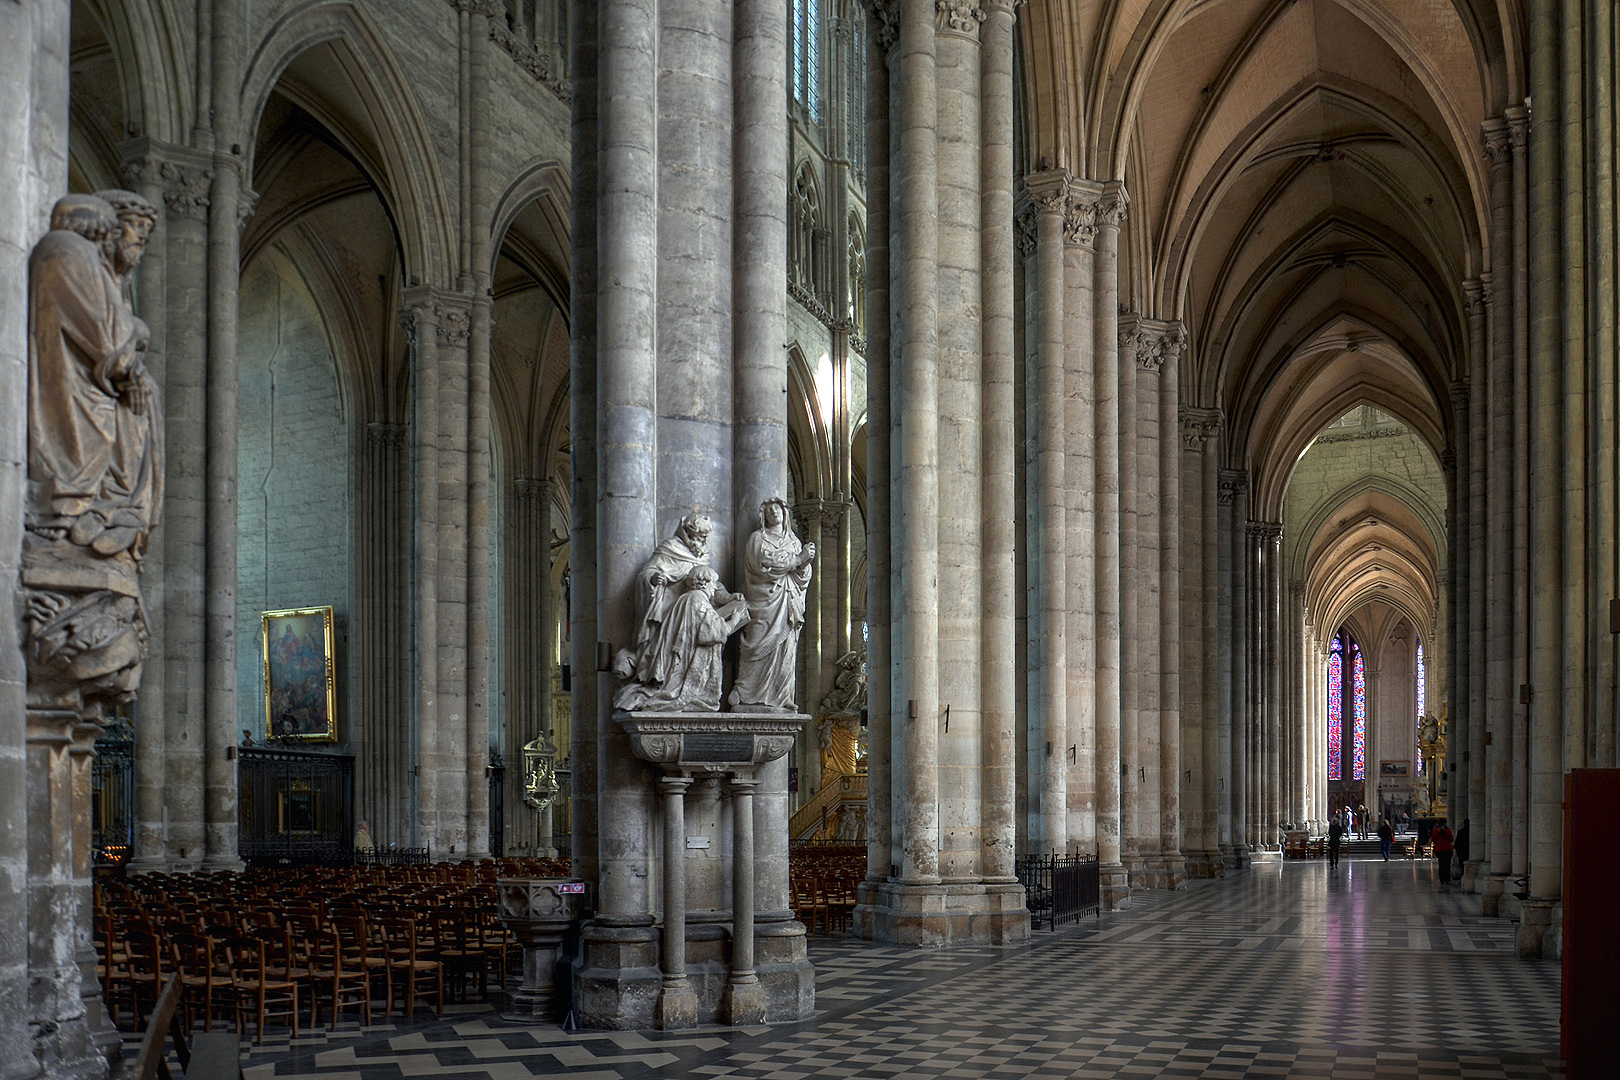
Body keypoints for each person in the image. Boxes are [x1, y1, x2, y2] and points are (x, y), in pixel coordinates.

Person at [613, 565, 748, 712]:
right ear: (704, 583)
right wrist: (735, 620)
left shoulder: (686, 598)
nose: (715, 589)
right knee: (679, 696)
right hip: (686, 665)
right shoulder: (698, 600)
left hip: (680, 659)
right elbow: (711, 634)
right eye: (713, 584)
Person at [729, 497, 815, 710]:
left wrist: (805, 563)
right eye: (769, 510)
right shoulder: (758, 538)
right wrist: (797, 560)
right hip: (764, 600)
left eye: (778, 508)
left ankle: (781, 696)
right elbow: (762, 563)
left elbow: (803, 576)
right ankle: (744, 692)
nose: (774, 512)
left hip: (788, 601)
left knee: (786, 649)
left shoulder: (793, 541)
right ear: (763, 516)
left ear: (785, 513)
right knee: (756, 642)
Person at [1432, 818, 1455, 889]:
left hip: (1439, 849)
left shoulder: (1436, 830)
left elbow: (1433, 840)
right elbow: (1452, 839)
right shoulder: (1447, 830)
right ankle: (1447, 878)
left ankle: (1441, 879)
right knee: (1447, 864)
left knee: (1441, 864)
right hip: (1447, 849)